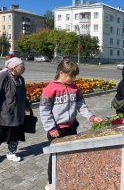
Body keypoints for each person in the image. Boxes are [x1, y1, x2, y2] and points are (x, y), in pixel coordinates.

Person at [39, 59, 103, 190]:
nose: (74, 79)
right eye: (71, 76)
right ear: (61, 73)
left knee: (71, 153)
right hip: (57, 130)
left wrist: (91, 117)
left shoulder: (75, 88)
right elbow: (44, 110)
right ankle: (51, 182)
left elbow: (81, 105)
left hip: (71, 127)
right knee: (55, 156)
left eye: (75, 76)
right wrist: (51, 128)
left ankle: (67, 176)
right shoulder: (50, 88)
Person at [0, 57, 29, 162]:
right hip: (5, 114)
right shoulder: (3, 76)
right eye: (22, 67)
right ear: (13, 67)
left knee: (15, 134)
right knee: (1, 135)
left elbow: (23, 94)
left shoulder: (21, 79)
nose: (24, 69)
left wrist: (26, 104)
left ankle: (11, 153)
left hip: (18, 113)